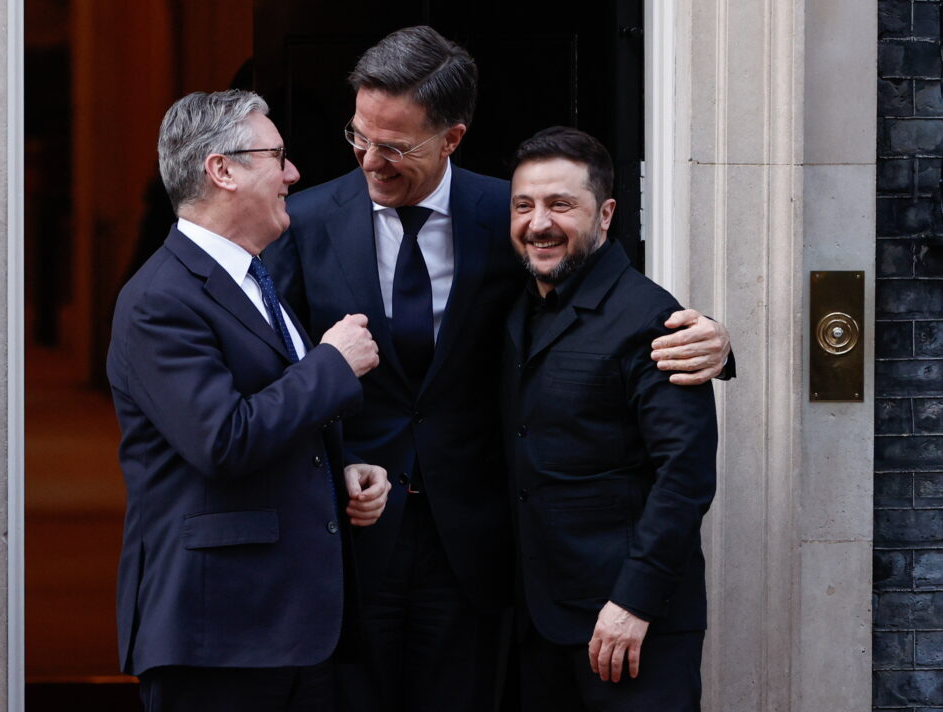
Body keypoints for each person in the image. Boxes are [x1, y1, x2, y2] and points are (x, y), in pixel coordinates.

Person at [263, 26, 730, 712]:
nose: (371, 160)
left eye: (396, 147)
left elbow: (595, 300)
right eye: (359, 137)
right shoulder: (302, 223)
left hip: (478, 551)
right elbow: (266, 360)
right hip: (350, 538)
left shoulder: (506, 213)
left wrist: (713, 338)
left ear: (451, 138)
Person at [106, 89, 392, 712]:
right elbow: (222, 440)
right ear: (222, 170)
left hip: (290, 629)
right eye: (277, 157)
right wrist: (332, 364)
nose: (293, 174)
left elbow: (268, 419)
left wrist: (335, 469)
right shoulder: (159, 299)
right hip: (218, 635)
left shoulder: (254, 278)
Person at [501, 126, 717, 711]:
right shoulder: (517, 307)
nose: (538, 223)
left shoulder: (654, 320)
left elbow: (686, 475)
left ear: (606, 214)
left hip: (630, 628)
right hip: (537, 625)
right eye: (524, 205)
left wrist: (634, 602)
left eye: (560, 204)